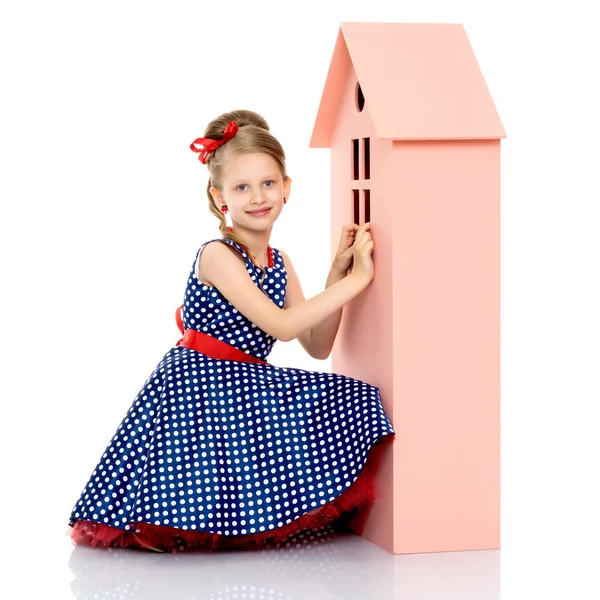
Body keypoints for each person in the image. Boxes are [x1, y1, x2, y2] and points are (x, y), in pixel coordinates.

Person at [66, 109, 396, 553]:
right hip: (199, 384)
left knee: (351, 396)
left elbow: (317, 345)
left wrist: (338, 272)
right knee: (191, 486)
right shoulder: (218, 256)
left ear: (287, 189)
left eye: (267, 183)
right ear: (221, 198)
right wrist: (359, 281)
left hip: (244, 382)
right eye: (241, 188)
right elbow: (280, 325)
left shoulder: (279, 261)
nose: (257, 197)